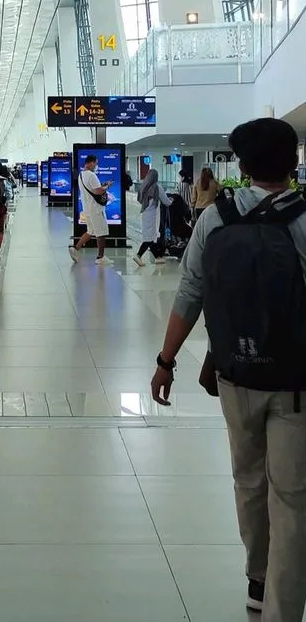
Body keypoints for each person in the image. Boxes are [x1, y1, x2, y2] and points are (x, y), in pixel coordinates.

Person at [151, 118, 306, 622]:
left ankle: (257, 577)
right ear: (294, 164)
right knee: (292, 497)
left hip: (236, 375)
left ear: (240, 165)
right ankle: (281, 608)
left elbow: (189, 293)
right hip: (297, 382)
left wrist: (166, 362)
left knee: (248, 480)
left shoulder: (215, 219)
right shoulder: (304, 219)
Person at [68, 154, 113, 266]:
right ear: (91, 163)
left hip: (87, 209)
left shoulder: (81, 175)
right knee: (101, 232)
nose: (96, 166)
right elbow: (98, 191)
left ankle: (75, 248)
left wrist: (102, 186)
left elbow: (92, 189)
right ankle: (100, 257)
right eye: (96, 164)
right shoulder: (91, 175)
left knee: (91, 231)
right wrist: (107, 186)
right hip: (96, 209)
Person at [133, 169, 173, 266]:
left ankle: (157, 257)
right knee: (150, 238)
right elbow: (166, 202)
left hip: (145, 215)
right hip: (153, 216)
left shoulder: (143, 187)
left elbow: (139, 199)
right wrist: (171, 200)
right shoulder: (157, 187)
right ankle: (138, 255)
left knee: (151, 236)